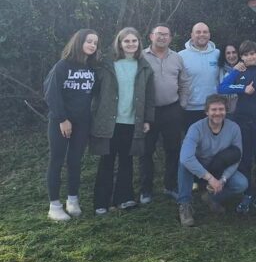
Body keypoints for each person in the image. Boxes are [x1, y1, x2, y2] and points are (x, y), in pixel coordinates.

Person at [91, 27, 154, 215]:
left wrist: (147, 119)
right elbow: (94, 92)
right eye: (126, 41)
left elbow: (150, 96)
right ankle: (101, 202)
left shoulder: (144, 67)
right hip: (109, 122)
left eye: (134, 41)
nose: (130, 44)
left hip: (132, 122)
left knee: (127, 161)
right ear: (119, 43)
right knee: (107, 161)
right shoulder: (106, 64)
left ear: (139, 43)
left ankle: (124, 198)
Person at [44, 29, 99, 221]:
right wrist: (62, 119)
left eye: (95, 43)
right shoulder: (62, 66)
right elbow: (51, 93)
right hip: (60, 122)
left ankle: (72, 200)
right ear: (78, 42)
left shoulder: (92, 68)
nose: (92, 45)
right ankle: (54, 206)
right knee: (57, 160)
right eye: (89, 41)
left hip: (83, 122)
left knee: (75, 161)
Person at [218, 40, 256, 215]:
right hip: (242, 124)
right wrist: (243, 88)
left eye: (252, 54)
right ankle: (247, 195)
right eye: (245, 55)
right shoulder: (239, 71)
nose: (249, 57)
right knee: (245, 161)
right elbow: (221, 88)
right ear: (241, 57)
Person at [176, 94, 248, 227]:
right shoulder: (196, 128)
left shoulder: (234, 128)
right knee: (184, 162)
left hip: (219, 167)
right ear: (206, 112)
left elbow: (238, 157)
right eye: (214, 109)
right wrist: (210, 178)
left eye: (221, 109)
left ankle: (211, 197)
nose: (218, 113)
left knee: (241, 183)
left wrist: (223, 179)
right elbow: (186, 157)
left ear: (226, 111)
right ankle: (185, 205)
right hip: (198, 168)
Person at [139, 23, 190, 204]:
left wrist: (182, 105)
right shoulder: (141, 57)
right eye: (158, 34)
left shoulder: (177, 58)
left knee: (173, 149)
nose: (162, 37)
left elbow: (184, 83)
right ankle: (146, 190)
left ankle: (170, 186)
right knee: (146, 151)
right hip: (148, 112)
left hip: (172, 109)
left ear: (170, 38)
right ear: (151, 36)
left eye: (166, 34)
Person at [179, 22, 220, 132]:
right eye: (198, 32)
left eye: (205, 32)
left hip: (214, 108)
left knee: (214, 140)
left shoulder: (218, 54)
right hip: (190, 109)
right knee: (193, 140)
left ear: (209, 35)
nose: (202, 34)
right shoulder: (181, 56)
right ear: (192, 35)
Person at [219, 44, 240, 116]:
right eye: (228, 53)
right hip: (223, 111)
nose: (231, 56)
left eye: (234, 52)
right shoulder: (220, 70)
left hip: (240, 110)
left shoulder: (245, 68)